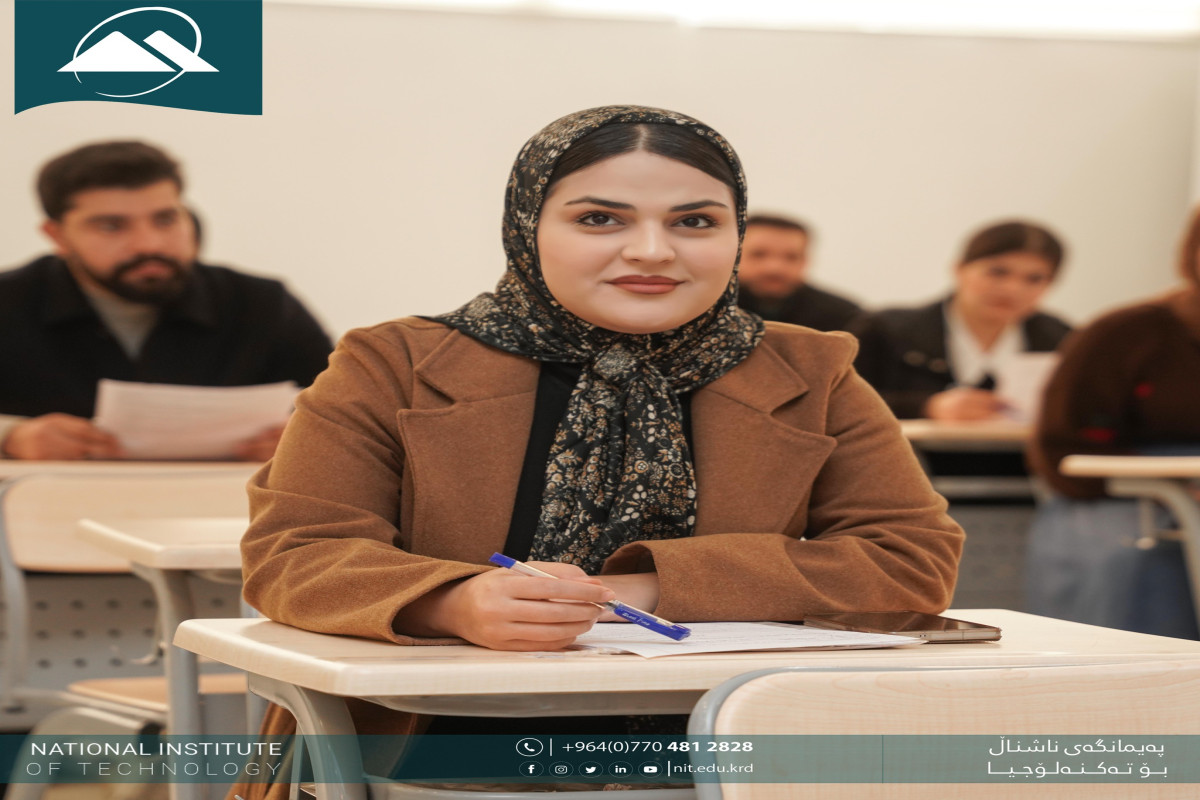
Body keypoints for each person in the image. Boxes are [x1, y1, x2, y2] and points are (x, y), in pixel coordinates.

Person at [236, 105, 963, 795]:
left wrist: (641, 592)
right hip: (431, 753)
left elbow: (909, 561)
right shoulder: (392, 363)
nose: (652, 250)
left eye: (695, 221)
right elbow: (295, 554)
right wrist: (452, 603)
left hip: (738, 750)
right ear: (529, 228)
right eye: (598, 219)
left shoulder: (813, 370)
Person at [0, 141, 333, 461]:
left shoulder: (262, 304)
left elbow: (346, 412)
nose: (149, 244)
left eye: (165, 219)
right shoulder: (8, 302)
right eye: (112, 226)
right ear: (57, 236)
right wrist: (11, 438)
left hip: (226, 498)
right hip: (45, 497)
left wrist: (309, 437)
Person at [1025, 206, 1200, 638]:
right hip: (1119, 491)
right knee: (1143, 560)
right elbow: (1061, 444)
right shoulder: (1126, 333)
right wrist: (1177, 485)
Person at [850, 220, 1072, 421]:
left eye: (1034, 279)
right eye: (998, 272)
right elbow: (840, 402)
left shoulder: (1062, 339)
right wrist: (926, 407)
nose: (1012, 289)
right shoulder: (886, 330)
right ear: (959, 269)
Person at [735, 214, 862, 332]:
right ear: (733, 255)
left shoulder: (845, 317)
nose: (775, 268)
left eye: (791, 257)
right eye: (759, 254)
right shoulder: (721, 308)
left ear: (806, 260)